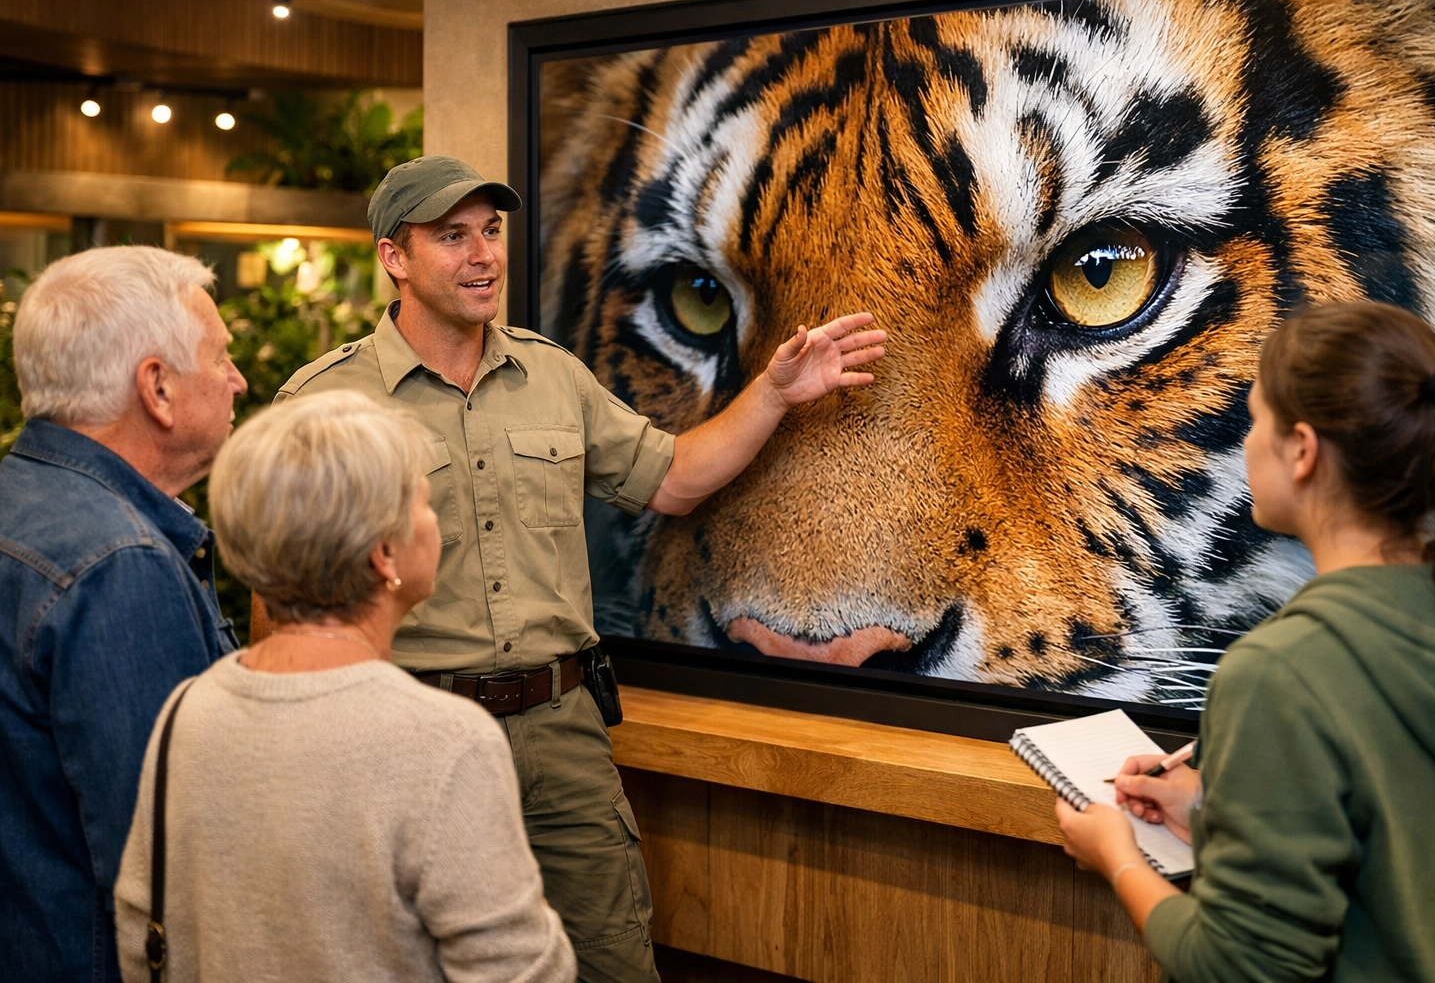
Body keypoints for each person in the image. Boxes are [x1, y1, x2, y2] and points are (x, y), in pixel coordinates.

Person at [268, 154, 886, 982]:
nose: (485, 254)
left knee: (612, 961)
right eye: (453, 237)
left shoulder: (551, 375)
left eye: (491, 231)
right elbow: (281, 603)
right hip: (411, 731)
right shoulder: (325, 402)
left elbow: (673, 478)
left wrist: (772, 393)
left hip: (561, 731)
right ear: (394, 257)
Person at [1055, 302, 1435, 982]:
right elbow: (1413, 840)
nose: (1249, 444)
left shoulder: (1279, 672)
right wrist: (1219, 814)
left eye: (1255, 420)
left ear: (1303, 452)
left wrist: (1117, 856)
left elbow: (1242, 966)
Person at [115, 390, 576, 983]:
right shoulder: (446, 743)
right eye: (426, 504)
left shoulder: (187, 712)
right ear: (385, 554)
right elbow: (524, 973)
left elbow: (140, 938)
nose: (435, 523)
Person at [0, 247, 245, 983]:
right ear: (159, 388)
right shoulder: (119, 565)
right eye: (221, 356)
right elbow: (166, 868)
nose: (238, 378)